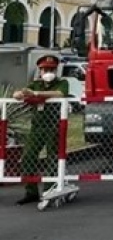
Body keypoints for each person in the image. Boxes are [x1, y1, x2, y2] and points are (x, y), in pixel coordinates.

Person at [12, 55, 69, 205]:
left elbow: (60, 94)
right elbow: (20, 94)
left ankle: (49, 190)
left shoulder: (62, 83)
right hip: (37, 127)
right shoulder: (35, 84)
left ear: (56, 70)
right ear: (40, 70)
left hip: (54, 127)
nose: (48, 72)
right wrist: (19, 94)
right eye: (45, 69)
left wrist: (37, 94)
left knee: (53, 158)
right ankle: (31, 191)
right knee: (28, 156)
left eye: (51, 69)